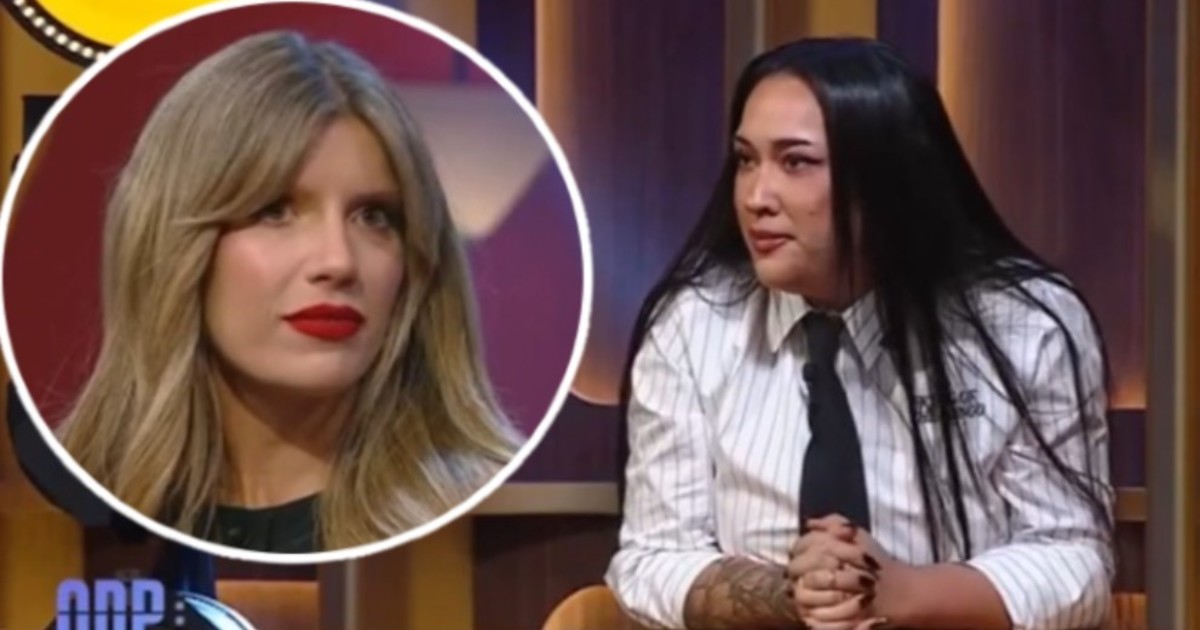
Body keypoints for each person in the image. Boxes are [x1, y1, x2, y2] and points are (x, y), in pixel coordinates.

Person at [606, 37, 1114, 630]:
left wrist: (898, 591)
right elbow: (651, 558)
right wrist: (793, 595)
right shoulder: (693, 323)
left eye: (796, 162)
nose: (755, 197)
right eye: (746, 160)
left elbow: (1073, 560)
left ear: (883, 178)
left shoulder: (1024, 324)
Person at [55, 31, 523, 553]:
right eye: (274, 211)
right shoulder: (58, 513)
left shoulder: (495, 513)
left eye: (373, 216)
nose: (338, 262)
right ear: (174, 245)